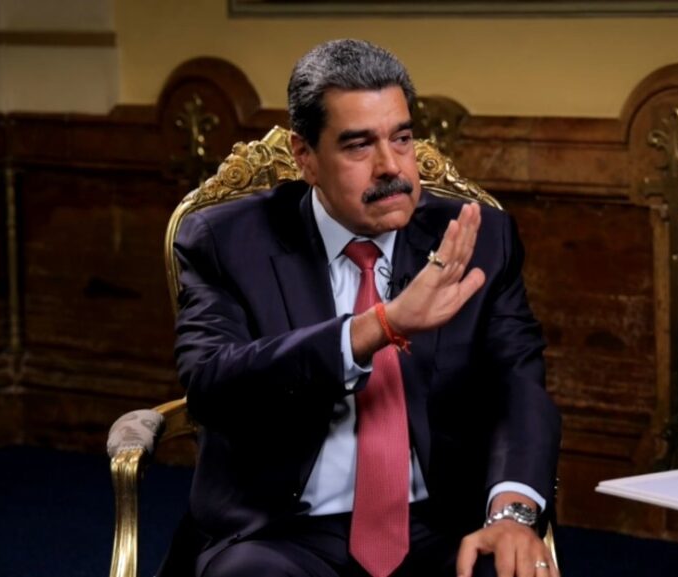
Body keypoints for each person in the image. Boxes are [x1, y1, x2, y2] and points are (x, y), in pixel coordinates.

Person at [170, 38, 561, 577]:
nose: (390, 166)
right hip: (281, 530)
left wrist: (511, 514)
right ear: (305, 156)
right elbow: (213, 385)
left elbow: (518, 385)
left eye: (401, 138)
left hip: (442, 522)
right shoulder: (227, 241)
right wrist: (380, 326)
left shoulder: (477, 240)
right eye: (358, 146)